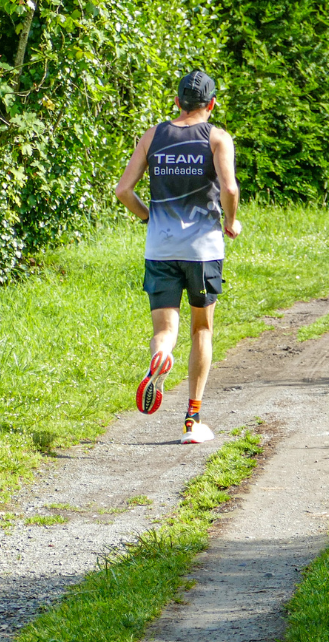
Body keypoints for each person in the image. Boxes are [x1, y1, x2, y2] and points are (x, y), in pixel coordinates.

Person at [114, 69, 242, 444]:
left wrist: (149, 217)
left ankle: (161, 358)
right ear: (212, 104)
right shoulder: (217, 137)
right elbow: (229, 188)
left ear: (177, 102)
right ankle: (192, 421)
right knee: (201, 328)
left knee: (164, 330)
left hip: (160, 248)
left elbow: (123, 190)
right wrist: (231, 223)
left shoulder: (153, 135)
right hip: (202, 250)